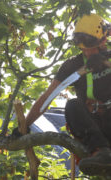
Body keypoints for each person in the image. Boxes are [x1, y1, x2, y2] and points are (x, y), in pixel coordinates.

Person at [24, 13, 111, 176]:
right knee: (72, 105)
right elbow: (47, 97)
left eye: (91, 47)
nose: (87, 53)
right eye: (83, 48)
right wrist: (24, 126)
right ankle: (101, 152)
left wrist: (105, 61)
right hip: (94, 129)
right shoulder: (72, 65)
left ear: (103, 41)